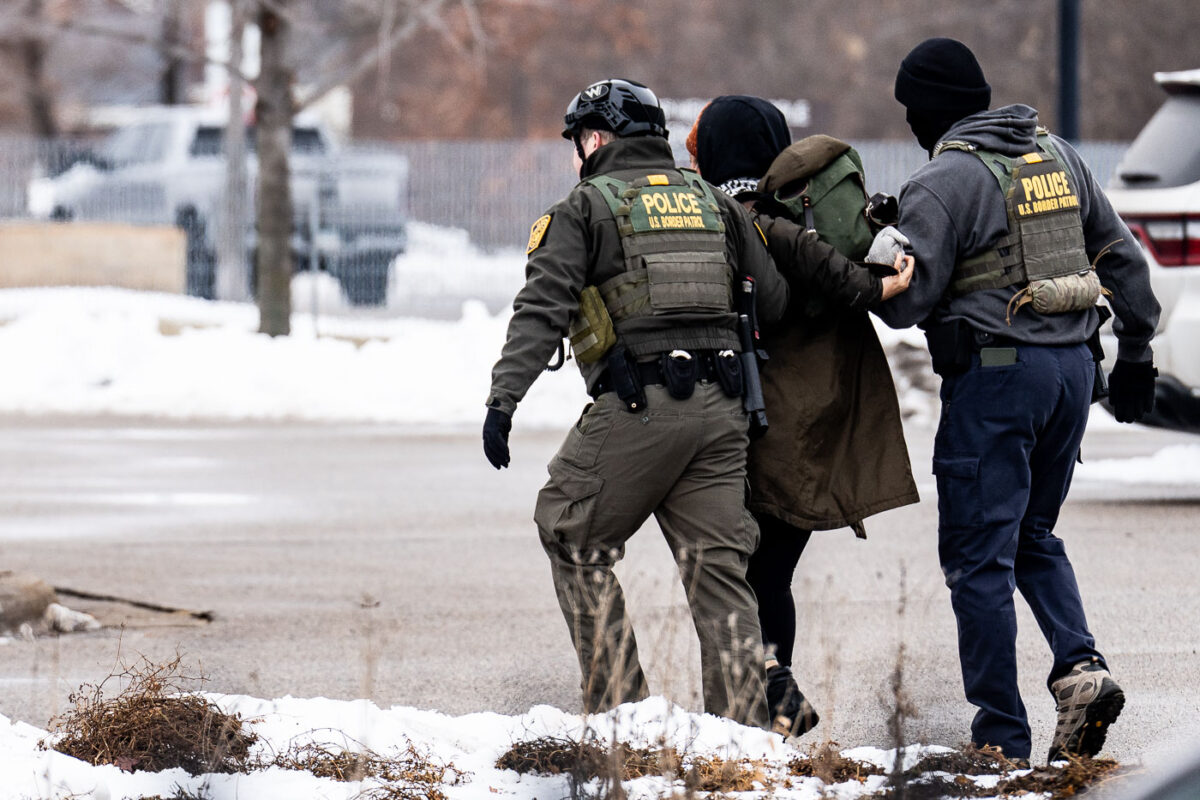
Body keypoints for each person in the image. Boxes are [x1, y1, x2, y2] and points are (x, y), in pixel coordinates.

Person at [872, 38, 1161, 762]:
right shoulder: (1055, 154)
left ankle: (998, 739)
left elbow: (909, 306)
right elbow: (1121, 256)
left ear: (926, 110)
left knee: (979, 559)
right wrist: (1140, 349)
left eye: (912, 111)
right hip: (1072, 374)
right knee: (1033, 536)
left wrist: (874, 252)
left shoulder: (944, 180)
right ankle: (1079, 668)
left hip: (999, 379)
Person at [482, 79, 793, 728]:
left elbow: (543, 308)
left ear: (596, 138)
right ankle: (743, 743)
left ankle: (623, 717)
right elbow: (774, 300)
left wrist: (503, 400)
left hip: (640, 407)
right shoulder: (711, 201)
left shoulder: (584, 208)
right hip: (725, 411)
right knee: (719, 572)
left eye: (578, 141)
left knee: (569, 529)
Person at [688, 96, 919, 736]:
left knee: (745, 571)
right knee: (772, 570)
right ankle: (769, 695)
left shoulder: (737, 220)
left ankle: (768, 699)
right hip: (827, 414)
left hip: (769, 423)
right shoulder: (801, 214)